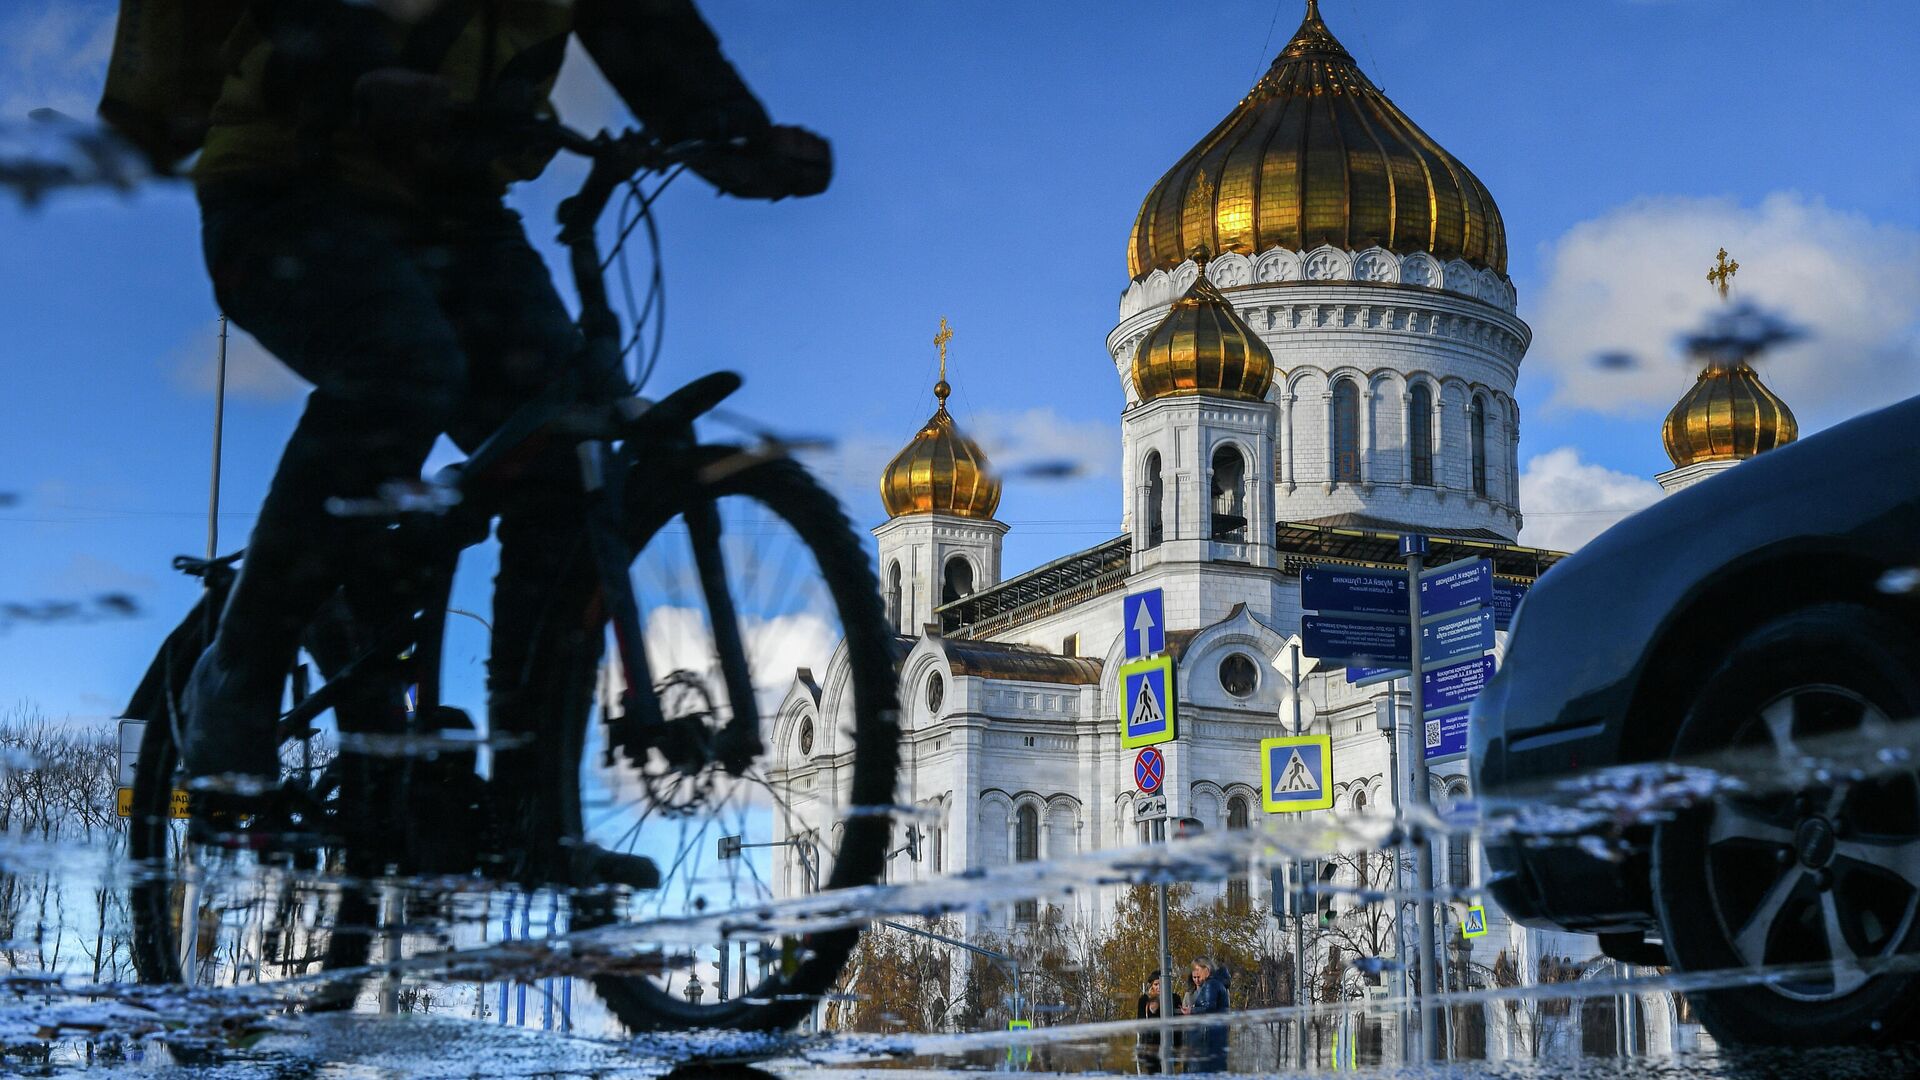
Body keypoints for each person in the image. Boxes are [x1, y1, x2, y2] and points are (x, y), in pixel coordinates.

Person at [160, 0, 829, 822]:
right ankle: (238, 674)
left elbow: (651, 32)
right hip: (289, 181)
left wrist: (740, 141)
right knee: (403, 366)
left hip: (457, 214)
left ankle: (527, 800)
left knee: (564, 446)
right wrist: (353, 73)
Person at [1179, 955, 1231, 1072]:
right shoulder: (1218, 985)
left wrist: (1192, 1011)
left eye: (1198, 972)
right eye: (1194, 975)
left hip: (1204, 1040)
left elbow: (1208, 1007)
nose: (1196, 978)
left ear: (1206, 970)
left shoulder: (1211, 985)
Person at [1134, 969, 1165, 1074]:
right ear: (1152, 985)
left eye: (1161, 984)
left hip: (1168, 1043)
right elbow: (1141, 1022)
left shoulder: (1173, 997)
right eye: (1156, 984)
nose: (1159, 987)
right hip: (1151, 1045)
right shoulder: (1145, 999)